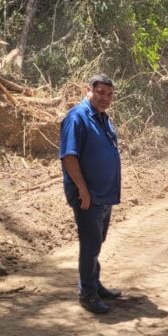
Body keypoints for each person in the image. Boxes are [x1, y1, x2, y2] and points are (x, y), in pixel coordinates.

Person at [59, 74, 123, 315]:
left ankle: (95, 284)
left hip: (104, 195)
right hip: (89, 197)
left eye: (109, 94)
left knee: (97, 242)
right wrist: (83, 191)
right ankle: (87, 294)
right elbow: (69, 156)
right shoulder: (78, 117)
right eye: (100, 93)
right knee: (90, 245)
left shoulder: (103, 118)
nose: (105, 98)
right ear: (89, 90)